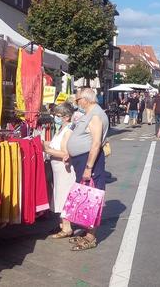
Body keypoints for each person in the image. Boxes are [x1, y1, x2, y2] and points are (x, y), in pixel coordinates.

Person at [64, 88, 109, 251]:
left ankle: (91, 236)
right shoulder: (90, 113)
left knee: (92, 195)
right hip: (81, 159)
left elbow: (96, 143)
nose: (77, 103)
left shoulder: (95, 114)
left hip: (89, 161)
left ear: (86, 99)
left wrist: (89, 167)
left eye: (77, 100)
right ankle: (86, 230)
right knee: (84, 196)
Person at [41, 102, 78, 239]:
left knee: (64, 197)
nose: (55, 117)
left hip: (64, 170)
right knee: (59, 195)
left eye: (58, 115)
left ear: (66, 117)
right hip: (58, 169)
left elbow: (65, 153)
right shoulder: (61, 129)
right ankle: (63, 224)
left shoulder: (68, 131)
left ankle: (67, 228)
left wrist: (48, 150)